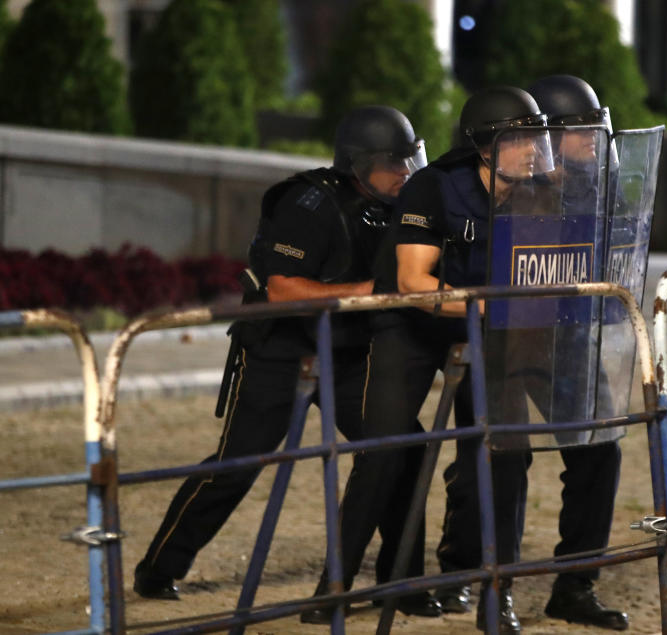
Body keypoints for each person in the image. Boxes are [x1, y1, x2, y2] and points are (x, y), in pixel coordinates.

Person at [132, 106, 437, 617]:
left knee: (404, 447)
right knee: (238, 464)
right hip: (281, 350)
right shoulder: (307, 204)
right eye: (394, 162)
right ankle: (159, 567)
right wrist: (366, 292)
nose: (406, 173)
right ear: (358, 164)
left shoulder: (390, 207)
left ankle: (401, 580)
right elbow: (281, 289)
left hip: (347, 352)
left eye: (411, 160)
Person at [305, 86, 551, 634]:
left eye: (538, 136)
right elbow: (415, 281)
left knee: (505, 450)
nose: (535, 147)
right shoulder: (433, 188)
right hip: (412, 323)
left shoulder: (535, 193)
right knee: (385, 447)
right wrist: (487, 303)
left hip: (484, 323)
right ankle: (336, 583)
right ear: (486, 146)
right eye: (522, 137)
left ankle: (493, 586)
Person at [512, 74, 629, 632]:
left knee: (598, 452)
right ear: (552, 136)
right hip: (507, 342)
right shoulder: (511, 184)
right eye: (582, 133)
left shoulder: (594, 186)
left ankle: (575, 583)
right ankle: (474, 581)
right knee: (494, 461)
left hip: (573, 337)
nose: (593, 143)